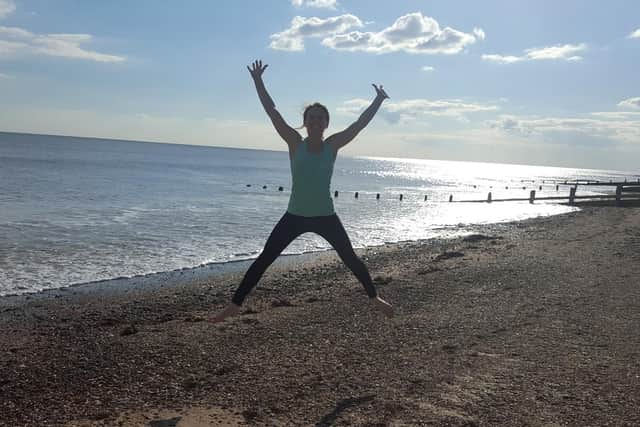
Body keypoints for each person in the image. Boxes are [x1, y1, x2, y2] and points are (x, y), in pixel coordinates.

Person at [209, 59, 394, 323]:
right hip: (294, 215)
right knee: (265, 259)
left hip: (325, 216)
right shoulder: (295, 143)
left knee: (350, 257)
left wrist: (378, 100)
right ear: (305, 122)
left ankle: (374, 297)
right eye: (312, 117)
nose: (316, 121)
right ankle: (234, 305)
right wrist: (258, 81)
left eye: (321, 118)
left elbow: (358, 124)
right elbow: (272, 111)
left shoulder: (333, 145)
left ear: (326, 123)